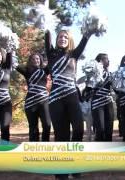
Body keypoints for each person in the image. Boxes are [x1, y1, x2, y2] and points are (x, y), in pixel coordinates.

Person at [45, 29, 92, 179]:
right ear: (56, 39)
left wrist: (89, 29)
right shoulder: (51, 54)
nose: (62, 38)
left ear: (69, 40)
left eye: (65, 37)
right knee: (61, 135)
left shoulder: (74, 54)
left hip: (72, 96)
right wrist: (44, 11)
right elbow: (47, 35)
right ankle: (62, 171)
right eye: (60, 36)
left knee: (79, 129)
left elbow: (85, 40)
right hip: (55, 99)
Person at [16, 53, 51, 142]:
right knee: (33, 127)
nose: (36, 60)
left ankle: (45, 145)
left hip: (44, 102)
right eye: (33, 59)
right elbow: (14, 64)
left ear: (40, 60)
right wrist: (9, 50)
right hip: (30, 103)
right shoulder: (27, 71)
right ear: (30, 61)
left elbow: (52, 61)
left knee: (47, 124)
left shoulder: (45, 70)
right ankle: (34, 148)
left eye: (38, 59)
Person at [90, 53, 114, 141]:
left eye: (107, 59)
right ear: (98, 62)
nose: (107, 60)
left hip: (108, 103)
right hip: (97, 103)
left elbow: (116, 89)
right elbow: (89, 87)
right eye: (104, 59)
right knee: (100, 130)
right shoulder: (92, 73)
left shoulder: (111, 74)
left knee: (109, 130)